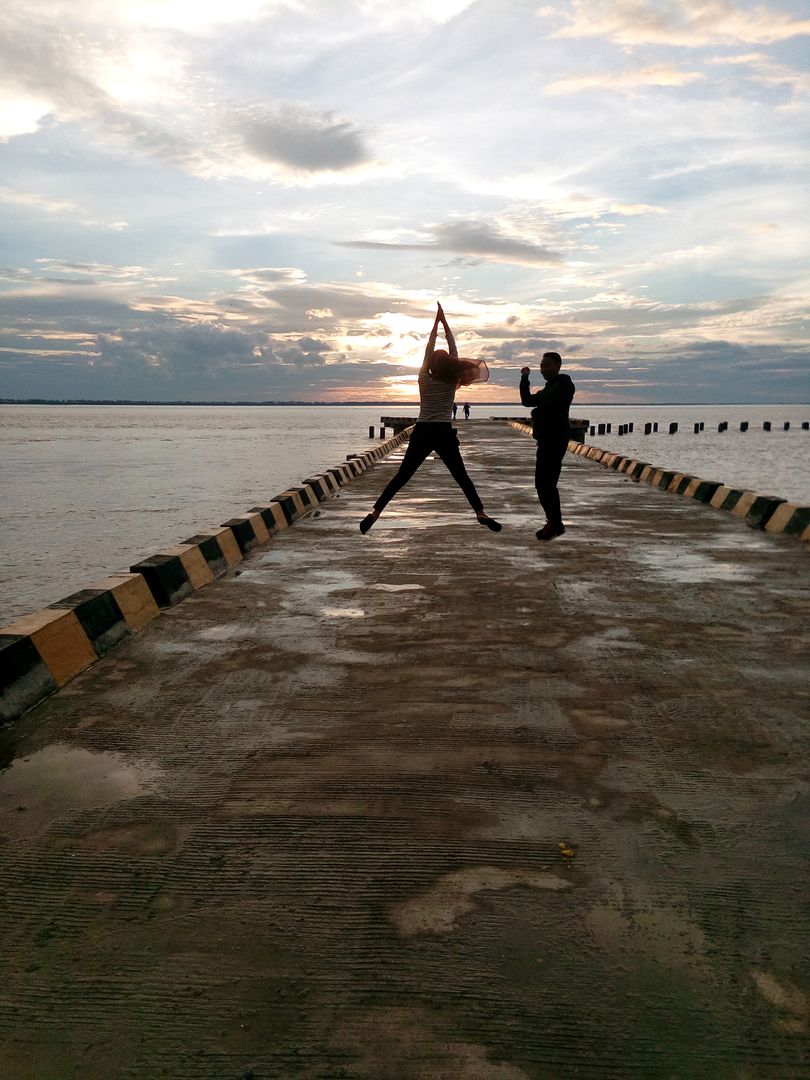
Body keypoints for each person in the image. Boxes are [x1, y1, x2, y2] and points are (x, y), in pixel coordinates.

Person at [360, 304, 501, 534]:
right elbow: (453, 349)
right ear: (450, 365)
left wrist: (435, 326)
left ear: (432, 365)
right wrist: (446, 324)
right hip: (444, 431)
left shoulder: (424, 378)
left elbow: (429, 350)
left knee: (402, 476)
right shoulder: (451, 379)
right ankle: (480, 512)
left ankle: (375, 512)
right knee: (461, 476)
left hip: (423, 431)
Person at [520, 353, 575, 540]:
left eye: (547, 366)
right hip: (545, 440)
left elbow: (549, 407)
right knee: (542, 485)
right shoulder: (548, 389)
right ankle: (554, 522)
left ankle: (555, 523)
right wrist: (524, 378)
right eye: (541, 366)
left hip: (555, 440)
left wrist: (537, 413)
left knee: (546, 484)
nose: (543, 369)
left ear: (558, 365)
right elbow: (527, 401)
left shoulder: (564, 385)